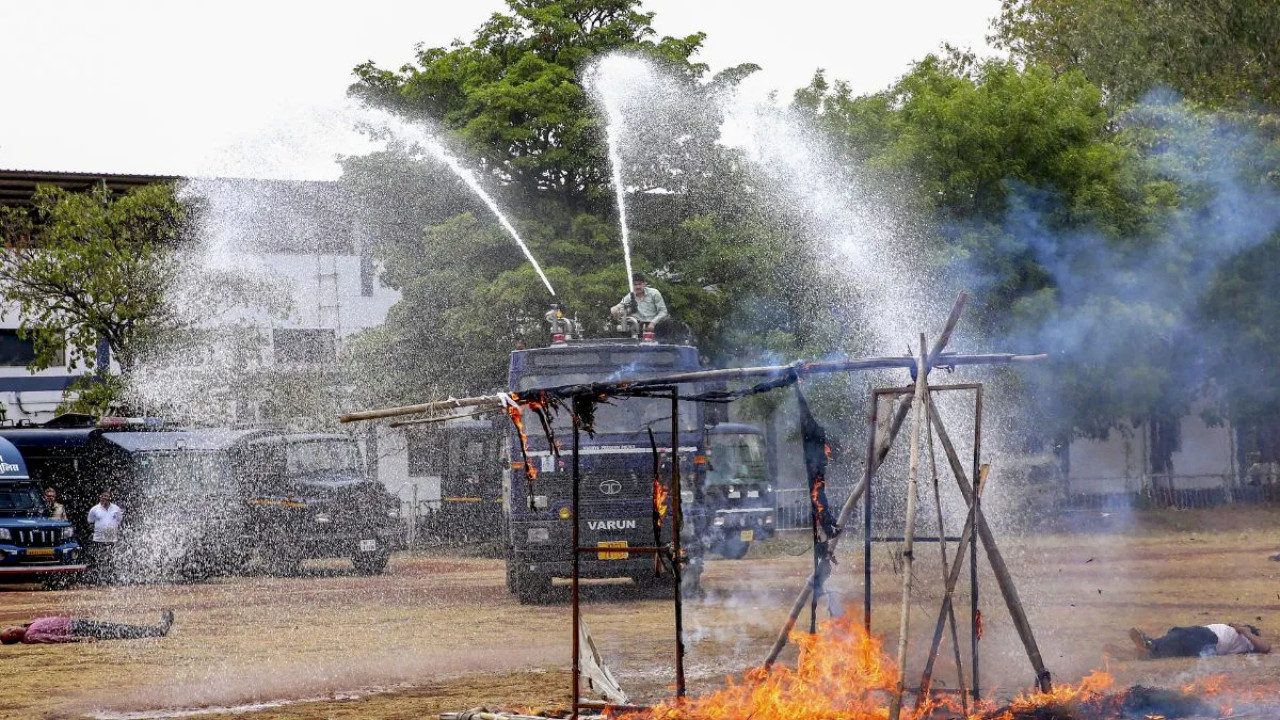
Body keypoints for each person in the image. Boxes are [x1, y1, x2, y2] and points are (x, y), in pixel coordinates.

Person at [2, 610, 173, 645]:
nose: (12, 630)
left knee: (114, 628)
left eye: (8, 628)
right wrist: (79, 638)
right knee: (115, 632)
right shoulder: (30, 637)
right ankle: (158, 631)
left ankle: (154, 629)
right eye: (10, 634)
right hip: (77, 630)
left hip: (77, 623)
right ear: (14, 639)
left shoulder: (29, 626)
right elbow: (54, 639)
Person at [1129, 622, 1271, 658]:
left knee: (1179, 638)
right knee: (1177, 636)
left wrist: (1245, 630)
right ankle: (1145, 649)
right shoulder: (1240, 639)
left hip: (1207, 638)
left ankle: (1148, 645)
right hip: (1201, 635)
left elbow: (1266, 648)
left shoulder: (1247, 639)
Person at [86, 490, 123, 583]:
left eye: (107, 497)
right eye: (103, 497)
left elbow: (119, 520)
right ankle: (96, 578)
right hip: (98, 539)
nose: (105, 499)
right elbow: (90, 521)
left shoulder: (116, 508)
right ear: (100, 497)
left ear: (110, 498)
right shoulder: (94, 509)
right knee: (97, 558)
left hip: (111, 538)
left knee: (111, 559)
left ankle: (111, 578)